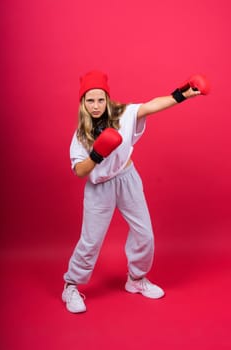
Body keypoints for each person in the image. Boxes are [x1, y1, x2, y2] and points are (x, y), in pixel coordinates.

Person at [62, 70, 209, 313]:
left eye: (101, 99)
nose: (96, 105)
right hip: (99, 188)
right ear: (83, 103)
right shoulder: (81, 135)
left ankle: (136, 279)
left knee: (145, 234)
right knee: (91, 242)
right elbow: (79, 171)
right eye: (90, 100)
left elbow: (151, 106)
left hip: (127, 178)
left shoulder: (123, 113)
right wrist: (98, 153)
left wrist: (183, 94)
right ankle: (71, 285)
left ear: (107, 99)